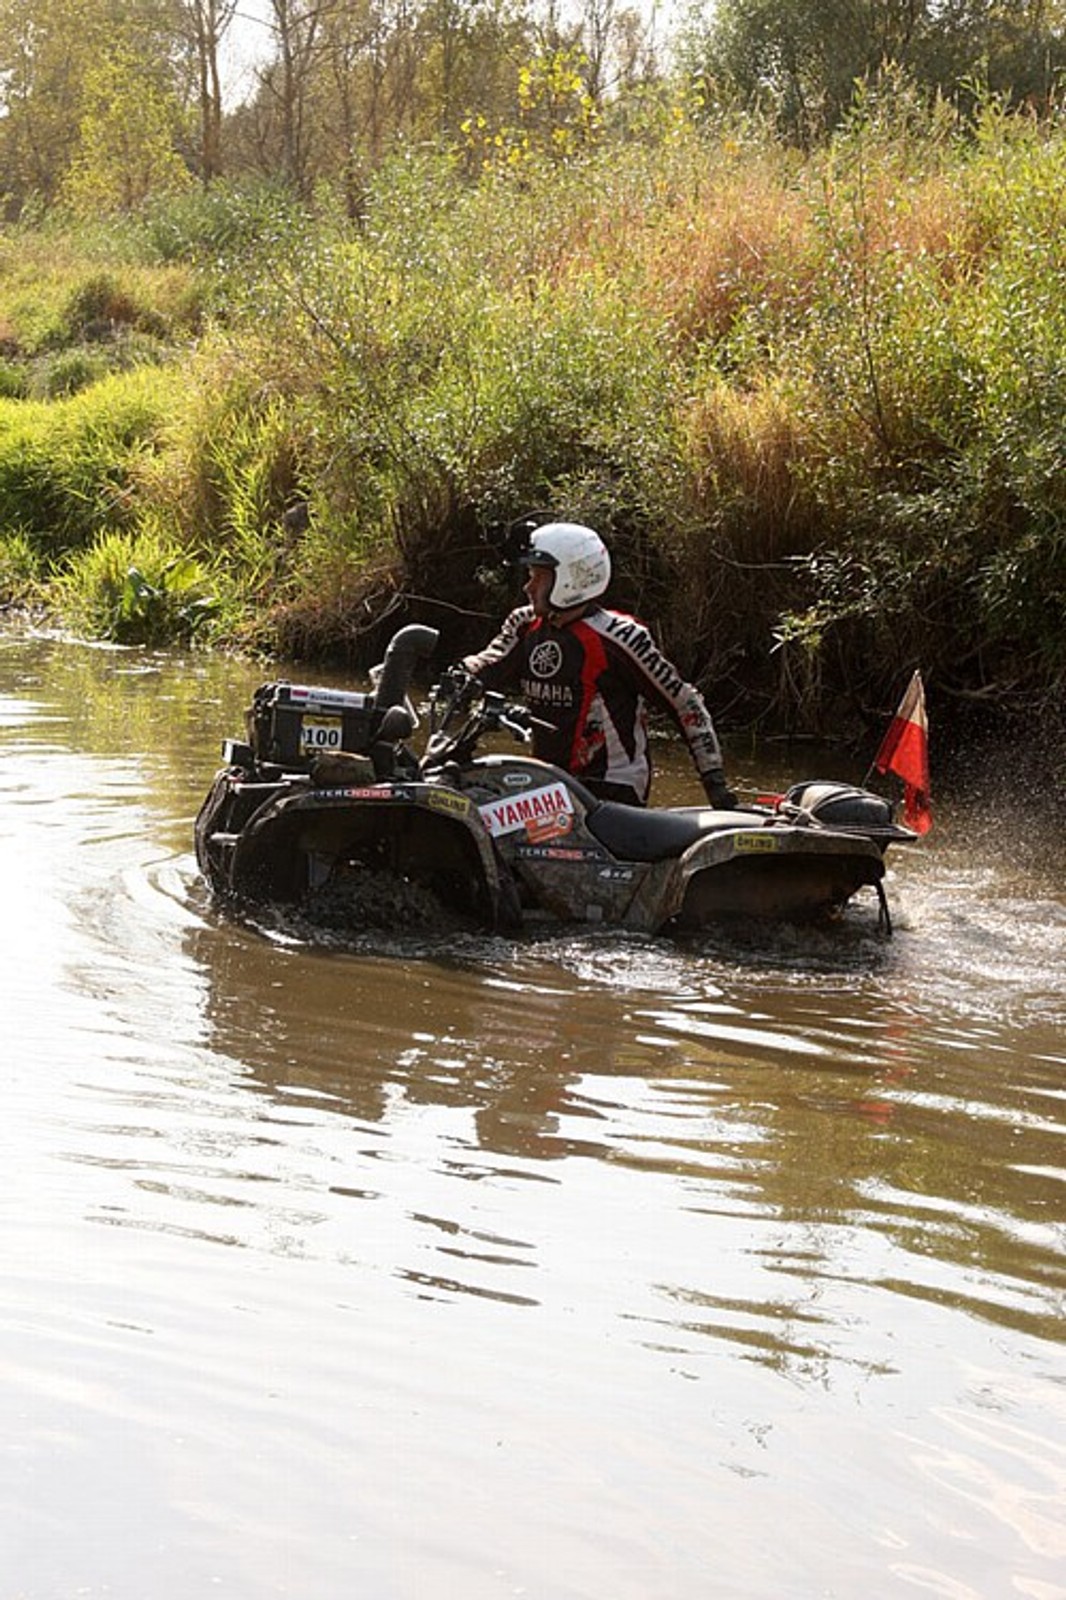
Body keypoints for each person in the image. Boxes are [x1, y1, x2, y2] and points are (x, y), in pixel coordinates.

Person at [462, 521, 737, 808]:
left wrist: (714, 782)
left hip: (611, 791)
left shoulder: (621, 636)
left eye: (539, 577)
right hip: (550, 785)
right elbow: (490, 661)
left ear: (571, 578)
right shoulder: (524, 623)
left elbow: (685, 704)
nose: (528, 587)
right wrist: (461, 675)